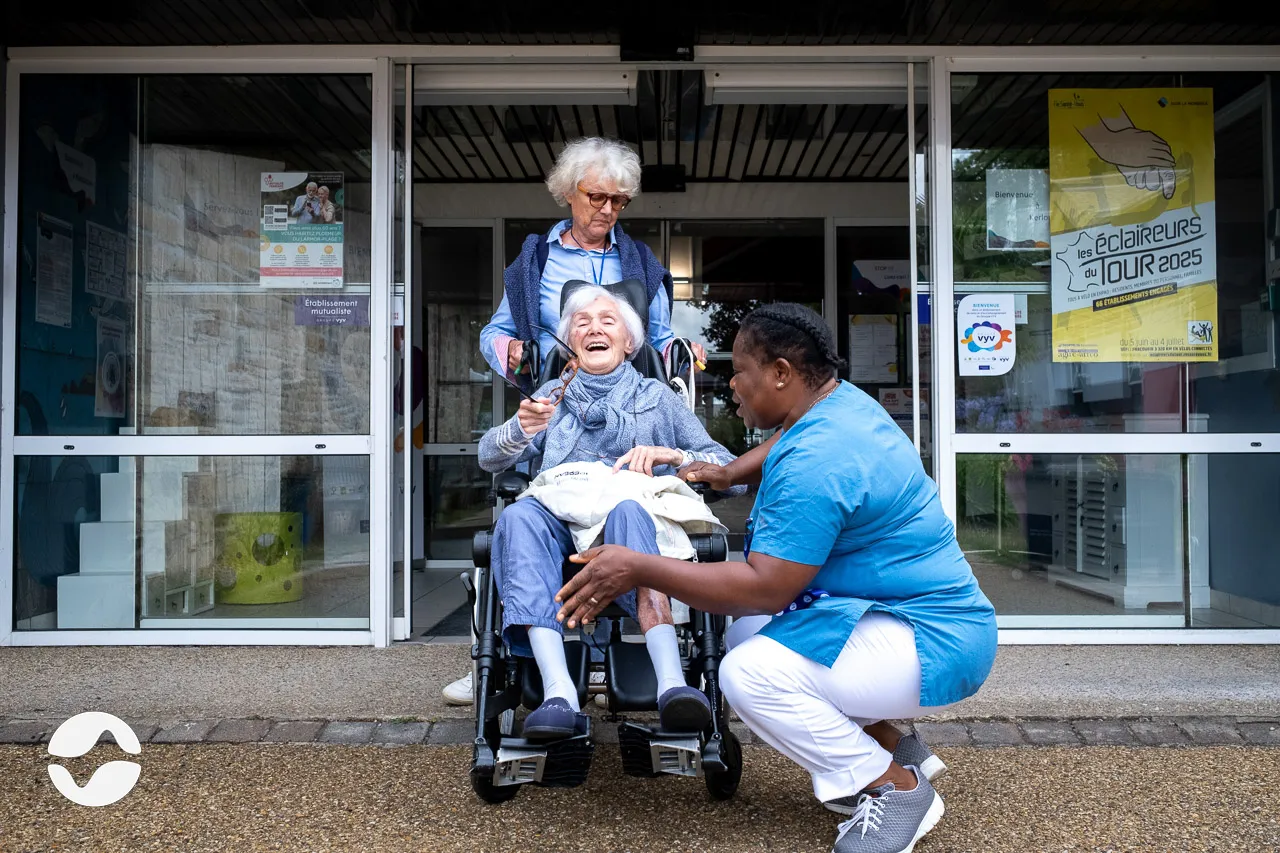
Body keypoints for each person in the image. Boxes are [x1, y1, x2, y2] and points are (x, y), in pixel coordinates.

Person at [556, 303, 998, 853]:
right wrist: (731, 469)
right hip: (907, 615)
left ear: (782, 373)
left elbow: (766, 586)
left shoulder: (819, 461)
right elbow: (789, 433)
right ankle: (894, 747)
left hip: (931, 641)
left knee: (747, 675)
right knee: (748, 633)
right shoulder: (835, 403)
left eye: (740, 370)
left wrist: (640, 566)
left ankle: (895, 787)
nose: (731, 382)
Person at [444, 135, 709, 706]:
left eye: (619, 201)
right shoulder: (537, 260)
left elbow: (656, 342)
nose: (607, 210)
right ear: (569, 194)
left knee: (630, 506)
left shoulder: (638, 262)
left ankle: (664, 679)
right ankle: (495, 660)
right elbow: (495, 333)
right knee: (521, 515)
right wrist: (511, 355)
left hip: (624, 399)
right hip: (554, 397)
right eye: (596, 197)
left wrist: (676, 356)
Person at [476, 286, 741, 737]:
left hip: (627, 529)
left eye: (608, 321)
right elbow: (489, 458)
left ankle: (672, 687)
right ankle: (558, 693)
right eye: (582, 322)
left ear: (630, 343)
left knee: (628, 509)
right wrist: (518, 430)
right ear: (569, 342)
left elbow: (730, 471)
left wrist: (672, 455)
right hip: (559, 524)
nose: (594, 328)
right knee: (518, 516)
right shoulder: (549, 397)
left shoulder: (658, 398)